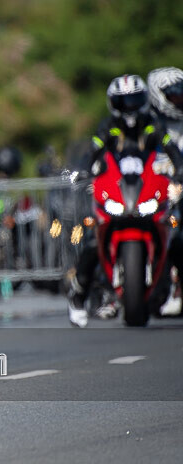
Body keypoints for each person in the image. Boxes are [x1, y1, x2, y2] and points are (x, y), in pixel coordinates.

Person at [68, 74, 183, 327]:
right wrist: (85, 170)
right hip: (117, 194)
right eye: (124, 102)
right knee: (90, 242)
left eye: (134, 101)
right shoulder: (108, 128)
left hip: (147, 194)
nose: (129, 108)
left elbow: (170, 149)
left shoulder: (152, 125)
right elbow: (92, 151)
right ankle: (78, 294)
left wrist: (180, 167)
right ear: (113, 104)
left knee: (176, 236)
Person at [148, 67, 183, 316]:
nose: (179, 100)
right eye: (173, 96)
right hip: (149, 191)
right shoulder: (145, 123)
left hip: (176, 191)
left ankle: (177, 288)